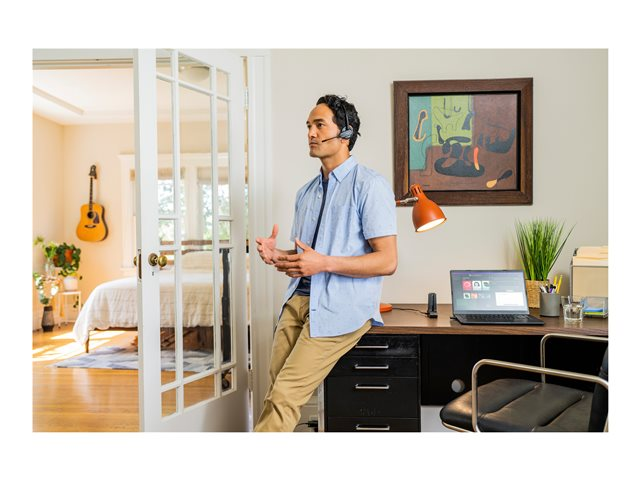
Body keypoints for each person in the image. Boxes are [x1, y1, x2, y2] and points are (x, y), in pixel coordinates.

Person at [253, 94, 397, 432]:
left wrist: (324, 264)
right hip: (297, 302)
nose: (311, 133)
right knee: (275, 389)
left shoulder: (370, 186)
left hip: (340, 306)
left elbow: (387, 260)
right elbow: (308, 257)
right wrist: (278, 256)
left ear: (345, 133)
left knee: (284, 396)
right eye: (308, 126)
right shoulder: (305, 193)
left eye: (319, 125)